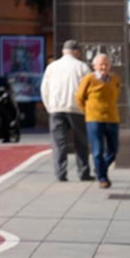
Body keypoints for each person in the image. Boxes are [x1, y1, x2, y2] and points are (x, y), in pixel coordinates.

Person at [40, 39, 93, 182]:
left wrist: (49, 107)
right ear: (76, 51)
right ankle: (83, 172)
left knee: (59, 142)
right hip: (77, 109)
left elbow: (44, 89)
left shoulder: (52, 67)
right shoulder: (82, 67)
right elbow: (89, 90)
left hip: (56, 109)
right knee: (81, 142)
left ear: (64, 51)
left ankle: (60, 173)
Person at [76, 52, 122, 189]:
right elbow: (79, 97)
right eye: (101, 64)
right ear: (94, 66)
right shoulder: (89, 79)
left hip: (112, 118)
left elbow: (116, 95)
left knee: (113, 151)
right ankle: (103, 178)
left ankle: (100, 168)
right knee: (98, 150)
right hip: (94, 119)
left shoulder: (115, 79)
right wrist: (88, 110)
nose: (104, 67)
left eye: (107, 64)